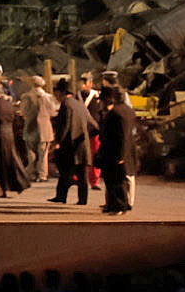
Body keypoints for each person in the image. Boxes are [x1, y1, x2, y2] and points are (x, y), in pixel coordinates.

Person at [49, 76, 93, 205]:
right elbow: (93, 124)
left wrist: (58, 142)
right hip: (82, 144)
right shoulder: (80, 105)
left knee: (65, 171)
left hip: (69, 145)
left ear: (61, 93)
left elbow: (65, 126)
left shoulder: (66, 105)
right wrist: (85, 136)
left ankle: (61, 196)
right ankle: (82, 199)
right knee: (81, 174)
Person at [94, 79, 135, 214]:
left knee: (115, 180)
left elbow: (121, 135)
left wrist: (120, 155)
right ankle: (113, 205)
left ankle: (118, 206)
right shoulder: (128, 110)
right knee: (114, 180)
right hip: (122, 151)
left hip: (114, 151)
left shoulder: (116, 113)